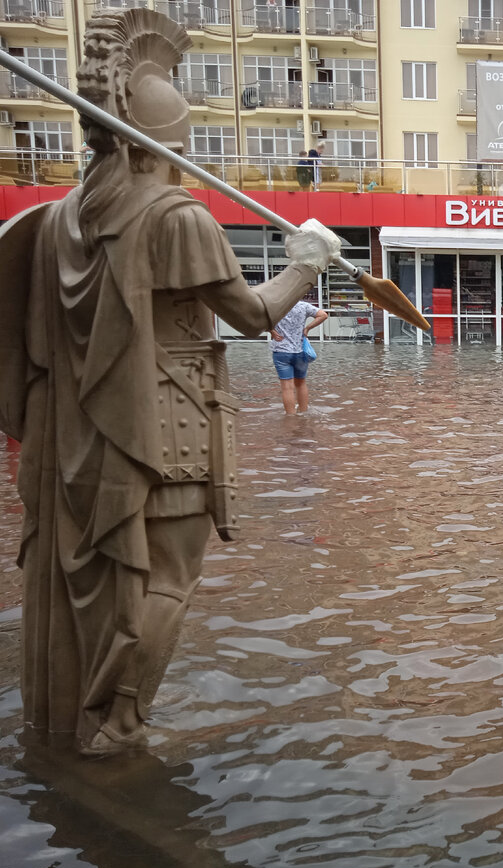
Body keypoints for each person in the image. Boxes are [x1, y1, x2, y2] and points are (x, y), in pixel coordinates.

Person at [0, 9, 341, 756]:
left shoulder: (60, 219)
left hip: (80, 435)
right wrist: (308, 260)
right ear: (170, 146)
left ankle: (72, 718)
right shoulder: (177, 217)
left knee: (103, 581)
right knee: (167, 579)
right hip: (166, 430)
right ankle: (119, 724)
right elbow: (253, 315)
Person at [270, 294, 329, 413]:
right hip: (300, 352)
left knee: (287, 387)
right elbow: (323, 315)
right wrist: (307, 328)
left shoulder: (275, 306)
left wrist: (271, 331)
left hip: (281, 351)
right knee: (301, 384)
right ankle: (303, 413)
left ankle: (290, 417)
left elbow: (258, 320)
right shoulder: (303, 306)